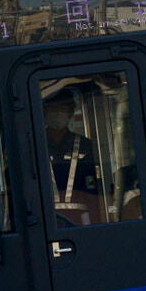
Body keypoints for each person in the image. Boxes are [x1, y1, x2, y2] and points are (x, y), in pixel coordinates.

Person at [43, 88, 101, 224]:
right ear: (44, 112)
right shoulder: (34, 146)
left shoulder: (85, 146)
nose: (57, 113)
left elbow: (95, 191)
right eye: (52, 109)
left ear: (71, 112)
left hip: (81, 221)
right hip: (46, 221)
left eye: (62, 108)